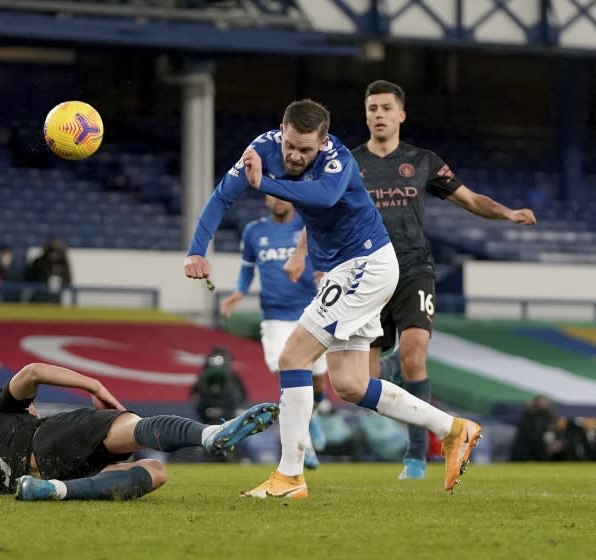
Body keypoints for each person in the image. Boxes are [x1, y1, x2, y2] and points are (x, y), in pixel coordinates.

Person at [183, 99, 482, 498]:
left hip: (366, 264)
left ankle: (289, 477)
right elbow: (222, 196)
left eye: (306, 149)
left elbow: (322, 197)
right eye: (291, 145)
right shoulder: (262, 149)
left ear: (322, 142)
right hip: (348, 270)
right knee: (352, 384)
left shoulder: (337, 159)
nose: (295, 155)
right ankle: (454, 430)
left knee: (293, 357)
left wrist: (264, 184)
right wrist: (197, 250)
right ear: (282, 130)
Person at [349, 80, 536, 479]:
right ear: (365, 115)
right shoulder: (349, 164)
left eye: (385, 108)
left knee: (415, 355)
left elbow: (469, 200)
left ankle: (416, 457)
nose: (378, 114)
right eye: (372, 108)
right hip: (367, 277)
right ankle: (394, 366)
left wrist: (507, 213)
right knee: (364, 386)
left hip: (414, 270)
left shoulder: (422, 161)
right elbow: (325, 213)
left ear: (401, 115)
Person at [0, 362, 280, 501]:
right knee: (133, 426)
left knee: (156, 469)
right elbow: (33, 372)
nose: (34, 408)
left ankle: (52, 491)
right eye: (31, 405)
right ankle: (208, 434)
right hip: (44, 441)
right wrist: (95, 386)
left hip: (50, 473)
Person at [219, 194, 328, 469]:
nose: (278, 200)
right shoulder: (255, 231)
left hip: (310, 313)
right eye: (272, 194)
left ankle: (309, 419)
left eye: (283, 195)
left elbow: (326, 254)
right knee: (290, 374)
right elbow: (247, 269)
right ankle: (306, 444)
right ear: (265, 198)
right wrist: (237, 294)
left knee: (318, 383)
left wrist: (323, 273)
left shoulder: (307, 226)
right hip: (275, 317)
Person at [25, 237, 72, 303]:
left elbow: (68, 279)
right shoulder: (39, 261)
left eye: (56, 249)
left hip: (55, 298)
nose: (54, 253)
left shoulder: (63, 263)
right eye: (52, 249)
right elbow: (29, 277)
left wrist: (59, 283)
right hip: (39, 297)